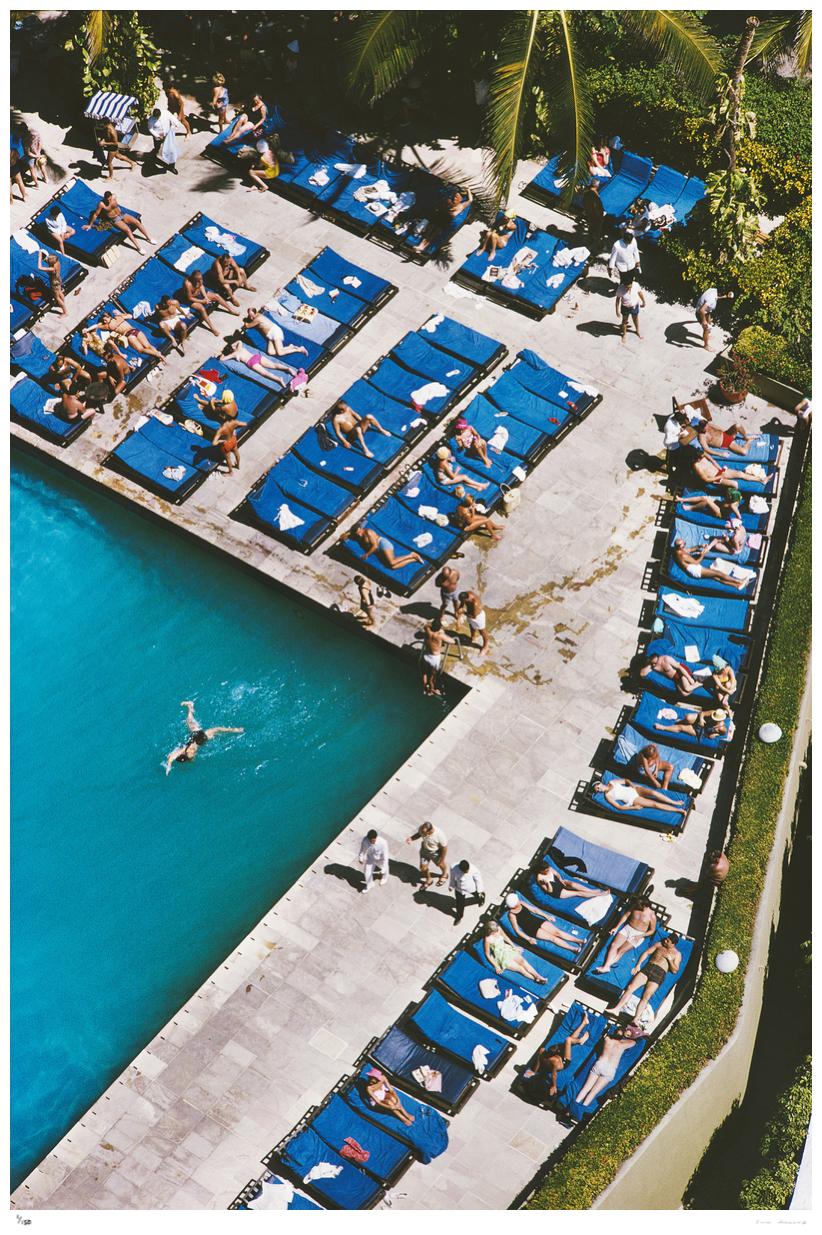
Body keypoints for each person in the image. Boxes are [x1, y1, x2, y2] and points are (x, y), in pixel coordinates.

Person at [611, 936, 681, 1025]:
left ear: (673, 944)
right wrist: (638, 965)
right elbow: (646, 953)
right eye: (666, 939)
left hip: (659, 972)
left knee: (646, 996)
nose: (665, 941)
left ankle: (635, 1019)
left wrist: (670, 960)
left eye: (668, 941)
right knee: (630, 987)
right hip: (648, 967)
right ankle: (616, 1009)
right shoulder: (659, 945)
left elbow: (675, 970)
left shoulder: (677, 954)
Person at [164, 700, 244, 773]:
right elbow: (177, 757)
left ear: (185, 753)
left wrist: (168, 767)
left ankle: (190, 706)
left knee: (190, 720)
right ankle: (190, 706)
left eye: (190, 753)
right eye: (191, 754)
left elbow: (171, 758)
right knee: (216, 730)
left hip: (197, 734)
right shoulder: (190, 757)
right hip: (202, 738)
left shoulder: (183, 750)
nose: (192, 752)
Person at [523, 1011, 590, 1096]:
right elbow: (554, 1075)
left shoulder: (543, 1051)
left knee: (569, 1040)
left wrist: (534, 1071)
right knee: (568, 1040)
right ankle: (580, 1041)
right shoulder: (554, 1061)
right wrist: (554, 1086)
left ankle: (584, 1023)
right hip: (565, 1062)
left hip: (557, 1059)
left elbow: (538, 1062)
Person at [575, 1027, 640, 1107]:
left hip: (600, 1064)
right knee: (593, 1093)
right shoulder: (622, 1044)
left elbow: (609, 1034)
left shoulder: (607, 1039)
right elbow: (633, 1042)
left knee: (585, 1089)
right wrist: (626, 1036)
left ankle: (570, 1109)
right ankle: (578, 1110)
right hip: (610, 1069)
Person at [594, 896, 657, 974]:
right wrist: (616, 927)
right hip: (627, 928)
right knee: (613, 945)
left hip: (639, 934)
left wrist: (640, 936)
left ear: (645, 905)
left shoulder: (652, 915)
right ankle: (606, 967)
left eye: (639, 906)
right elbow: (625, 916)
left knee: (621, 950)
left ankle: (606, 966)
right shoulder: (635, 907)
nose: (636, 906)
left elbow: (652, 931)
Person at [504, 893, 583, 955]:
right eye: (517, 900)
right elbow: (517, 930)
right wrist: (528, 939)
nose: (518, 900)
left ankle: (579, 941)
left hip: (537, 920)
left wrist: (547, 916)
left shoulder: (521, 903)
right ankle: (573, 949)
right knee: (553, 938)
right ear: (514, 904)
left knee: (557, 932)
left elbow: (534, 910)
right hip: (530, 929)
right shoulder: (512, 914)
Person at [83, 192, 153, 254]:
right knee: (128, 230)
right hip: (115, 219)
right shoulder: (101, 204)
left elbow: (115, 196)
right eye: (107, 200)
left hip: (122, 214)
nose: (109, 201)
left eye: (110, 199)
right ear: (104, 198)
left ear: (111, 196)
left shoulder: (114, 196)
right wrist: (90, 225)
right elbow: (95, 215)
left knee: (137, 222)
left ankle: (149, 238)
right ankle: (139, 248)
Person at [671, 537, 750, 589]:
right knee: (718, 574)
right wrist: (703, 554)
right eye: (683, 544)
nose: (685, 544)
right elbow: (696, 562)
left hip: (693, 571)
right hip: (696, 571)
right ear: (680, 547)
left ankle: (736, 586)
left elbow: (690, 550)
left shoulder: (676, 551)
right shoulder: (683, 555)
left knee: (716, 578)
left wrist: (699, 546)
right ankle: (739, 581)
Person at [483, 922, 548, 984]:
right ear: (490, 931)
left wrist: (514, 946)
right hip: (501, 956)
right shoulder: (488, 939)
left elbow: (506, 937)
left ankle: (538, 976)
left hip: (507, 949)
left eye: (497, 930)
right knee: (520, 969)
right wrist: (496, 966)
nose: (497, 932)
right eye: (495, 931)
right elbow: (487, 954)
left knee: (523, 962)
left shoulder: (498, 928)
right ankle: (536, 980)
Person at [182, 269, 239, 336]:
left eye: (200, 279)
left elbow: (201, 286)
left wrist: (206, 297)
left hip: (199, 294)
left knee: (217, 296)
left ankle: (231, 310)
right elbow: (190, 298)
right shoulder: (188, 284)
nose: (200, 281)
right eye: (198, 280)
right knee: (202, 309)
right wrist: (202, 301)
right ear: (193, 279)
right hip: (191, 299)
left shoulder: (199, 278)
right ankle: (212, 328)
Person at [92, 312, 166, 362]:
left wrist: (89, 328)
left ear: (107, 318)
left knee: (140, 350)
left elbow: (97, 326)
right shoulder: (118, 317)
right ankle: (159, 354)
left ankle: (157, 355)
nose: (104, 321)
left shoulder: (108, 326)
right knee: (148, 345)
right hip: (135, 330)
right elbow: (130, 316)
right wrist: (120, 313)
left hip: (129, 335)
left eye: (104, 320)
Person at [594, 777, 685, 817]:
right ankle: (679, 810)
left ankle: (675, 802)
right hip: (632, 799)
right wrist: (634, 807)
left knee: (654, 793)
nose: (598, 789)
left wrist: (632, 785)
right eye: (597, 790)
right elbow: (619, 807)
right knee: (654, 804)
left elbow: (626, 780)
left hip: (635, 790)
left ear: (600, 783)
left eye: (598, 787)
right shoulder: (608, 796)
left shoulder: (612, 782)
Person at [349, 524, 424, 572]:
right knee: (392, 567)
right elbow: (347, 535)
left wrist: (367, 554)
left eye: (359, 532)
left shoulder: (368, 532)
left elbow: (375, 546)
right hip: (379, 551)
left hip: (382, 544)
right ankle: (413, 560)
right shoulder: (357, 536)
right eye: (357, 534)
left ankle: (411, 555)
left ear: (361, 529)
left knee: (392, 562)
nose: (359, 534)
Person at [224, 338, 296, 385]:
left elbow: (222, 359)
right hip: (256, 356)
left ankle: (278, 379)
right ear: (233, 347)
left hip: (251, 362)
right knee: (274, 365)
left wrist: (222, 355)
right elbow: (239, 341)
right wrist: (233, 345)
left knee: (265, 373)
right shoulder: (240, 347)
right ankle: (288, 369)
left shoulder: (233, 354)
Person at [691, 451, 766, 491]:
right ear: (695, 458)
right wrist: (720, 476)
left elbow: (712, 460)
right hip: (716, 478)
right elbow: (706, 479)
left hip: (719, 471)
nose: (702, 457)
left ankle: (761, 480)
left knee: (740, 474)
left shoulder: (702, 453)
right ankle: (731, 495)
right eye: (700, 458)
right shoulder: (697, 466)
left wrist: (720, 469)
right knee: (735, 484)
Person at [405, 821, 448, 887]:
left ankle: (445, 874)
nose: (422, 834)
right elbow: (419, 834)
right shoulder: (422, 828)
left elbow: (445, 848)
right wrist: (411, 838)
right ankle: (429, 880)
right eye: (422, 831)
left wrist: (442, 859)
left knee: (440, 864)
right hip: (424, 851)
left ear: (430, 831)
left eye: (424, 833)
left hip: (435, 852)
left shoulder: (439, 835)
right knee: (423, 868)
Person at [420, 616, 455, 697]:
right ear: (439, 627)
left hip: (426, 655)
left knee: (424, 673)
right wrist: (442, 632)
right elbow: (452, 641)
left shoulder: (428, 630)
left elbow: (425, 625)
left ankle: (425, 687)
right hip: (434, 658)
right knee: (432, 677)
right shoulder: (440, 635)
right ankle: (432, 690)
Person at [655, 706, 731, 741]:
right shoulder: (712, 713)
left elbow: (714, 735)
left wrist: (716, 734)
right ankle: (681, 720)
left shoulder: (721, 727)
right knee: (688, 717)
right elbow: (702, 713)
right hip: (700, 722)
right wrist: (701, 719)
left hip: (702, 731)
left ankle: (663, 727)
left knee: (681, 728)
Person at [534, 867, 604, 903]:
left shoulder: (549, 868)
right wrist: (547, 883)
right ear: (541, 871)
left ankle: (591, 891)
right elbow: (550, 891)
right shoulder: (540, 878)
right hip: (557, 891)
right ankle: (598, 894)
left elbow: (557, 874)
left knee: (572, 883)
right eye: (545, 871)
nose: (547, 871)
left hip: (559, 883)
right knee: (578, 893)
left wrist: (561, 879)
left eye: (547, 870)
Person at [450, 859, 485, 925]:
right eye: (465, 871)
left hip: (471, 887)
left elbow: (478, 879)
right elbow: (452, 877)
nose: (467, 871)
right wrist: (451, 885)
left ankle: (481, 898)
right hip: (459, 889)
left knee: (478, 895)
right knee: (460, 904)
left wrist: (480, 890)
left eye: (468, 870)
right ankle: (459, 916)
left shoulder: (474, 869)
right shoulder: (453, 868)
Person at [147, 107, 179, 175]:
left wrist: (175, 126)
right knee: (157, 148)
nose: (157, 119)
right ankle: (154, 155)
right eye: (156, 118)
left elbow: (173, 119)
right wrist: (158, 136)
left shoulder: (166, 113)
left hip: (167, 136)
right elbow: (150, 129)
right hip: (158, 137)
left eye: (158, 117)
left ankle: (172, 166)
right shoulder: (151, 120)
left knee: (171, 151)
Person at [615, 274, 646, 342]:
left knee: (636, 319)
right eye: (627, 287)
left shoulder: (636, 285)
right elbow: (617, 300)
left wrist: (643, 301)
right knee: (624, 321)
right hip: (625, 307)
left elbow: (640, 293)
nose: (629, 289)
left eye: (630, 287)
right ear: (624, 284)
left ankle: (637, 331)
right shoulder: (621, 288)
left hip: (635, 306)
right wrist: (617, 310)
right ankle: (624, 334)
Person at [459, 590, 490, 655]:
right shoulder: (467, 594)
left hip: (478, 617)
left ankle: (485, 647)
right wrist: (460, 607)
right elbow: (462, 602)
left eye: (464, 601)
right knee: (471, 626)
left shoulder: (475, 603)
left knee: (482, 632)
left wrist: (463, 612)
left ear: (466, 599)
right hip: (470, 614)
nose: (463, 602)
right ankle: (472, 637)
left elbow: (474, 616)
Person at [36, 249, 66, 316]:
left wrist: (39, 257)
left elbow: (39, 267)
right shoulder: (57, 263)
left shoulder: (52, 269)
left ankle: (65, 312)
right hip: (58, 280)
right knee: (60, 292)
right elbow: (50, 260)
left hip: (54, 283)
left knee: (57, 297)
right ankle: (63, 302)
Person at [581, 179, 605, 255]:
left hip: (592, 215)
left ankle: (590, 246)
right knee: (596, 232)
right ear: (597, 185)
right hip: (596, 216)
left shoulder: (588, 193)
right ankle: (595, 248)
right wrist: (599, 216)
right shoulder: (592, 194)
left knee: (592, 231)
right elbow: (594, 206)